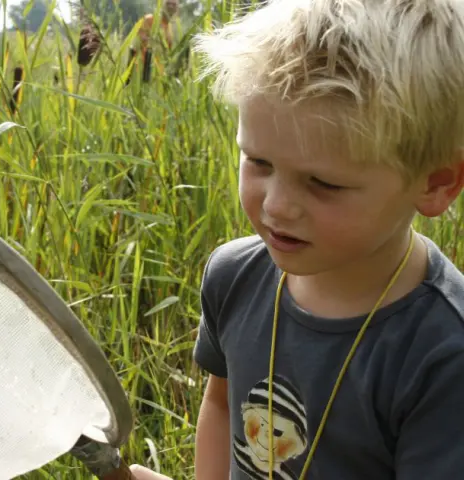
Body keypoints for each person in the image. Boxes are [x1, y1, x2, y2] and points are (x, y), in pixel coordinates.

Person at [130, 0, 464, 478]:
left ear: (436, 184)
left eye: (323, 183)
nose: (276, 206)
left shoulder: (442, 354)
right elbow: (222, 406)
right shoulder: (233, 279)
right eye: (258, 163)